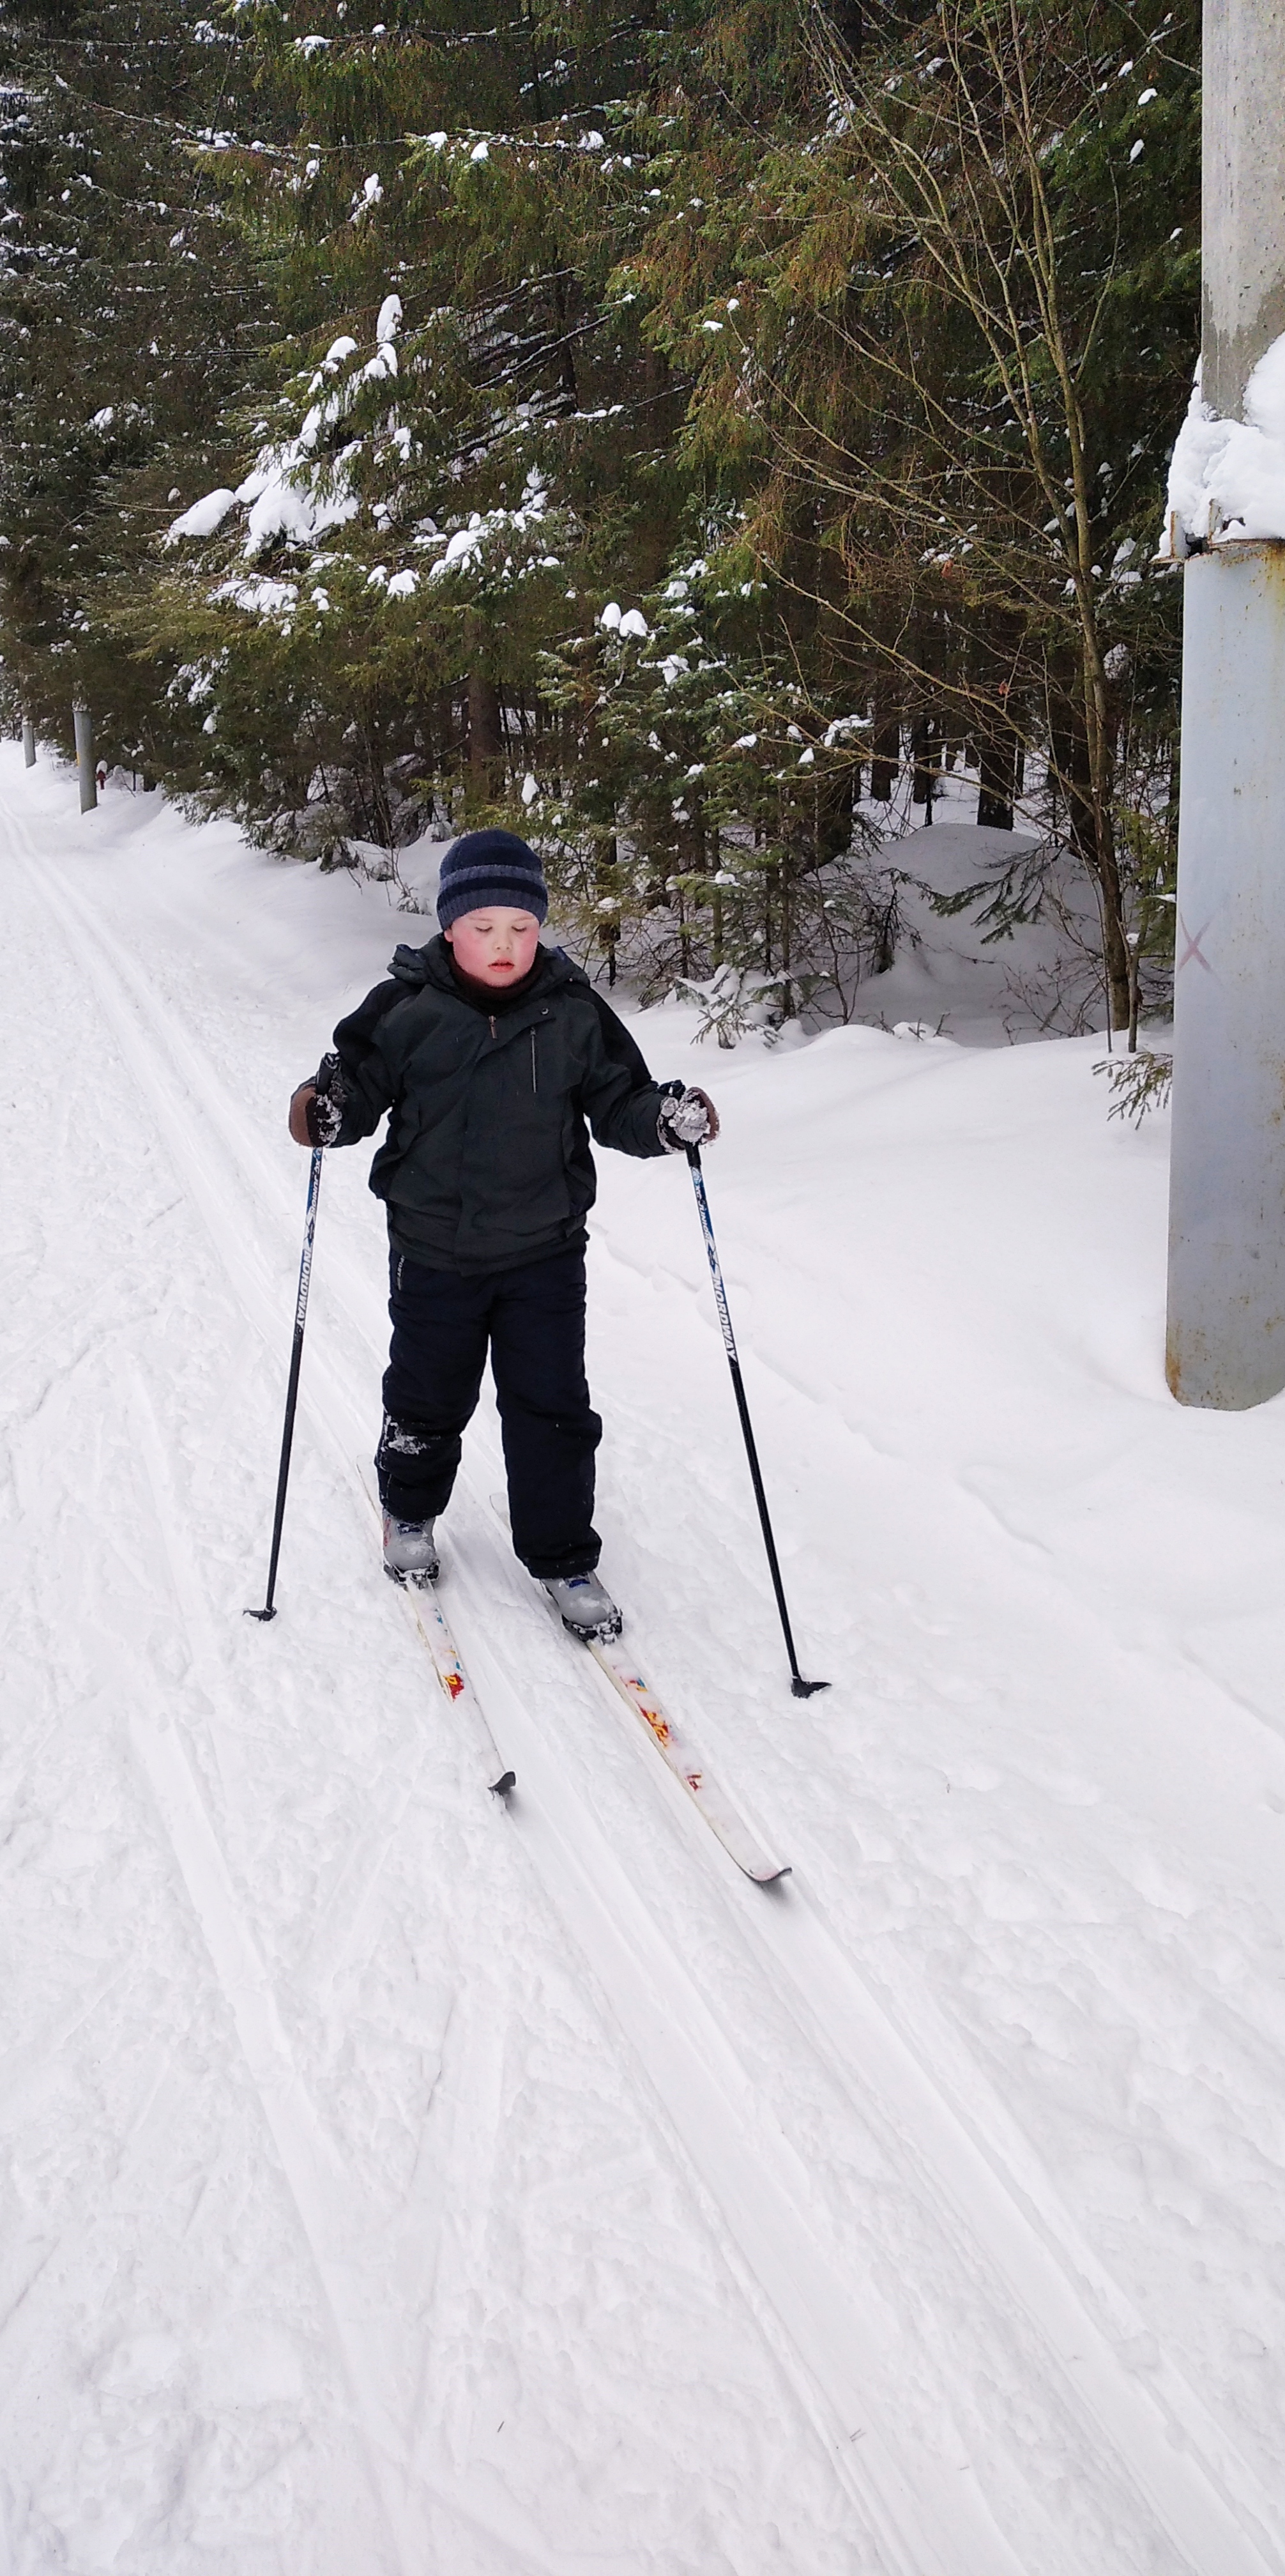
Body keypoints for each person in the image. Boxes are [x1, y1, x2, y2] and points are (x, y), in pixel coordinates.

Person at [289, 826, 717, 1639]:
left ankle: (562, 1557)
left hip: (544, 1252)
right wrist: (325, 1109)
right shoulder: (404, 1008)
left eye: (521, 928)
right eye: (483, 927)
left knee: (551, 1406)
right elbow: (355, 1087)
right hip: (434, 1250)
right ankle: (408, 1514)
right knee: (427, 1394)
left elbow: (618, 1101)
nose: (503, 945)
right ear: (450, 927)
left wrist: (664, 1120)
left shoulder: (572, 1011)